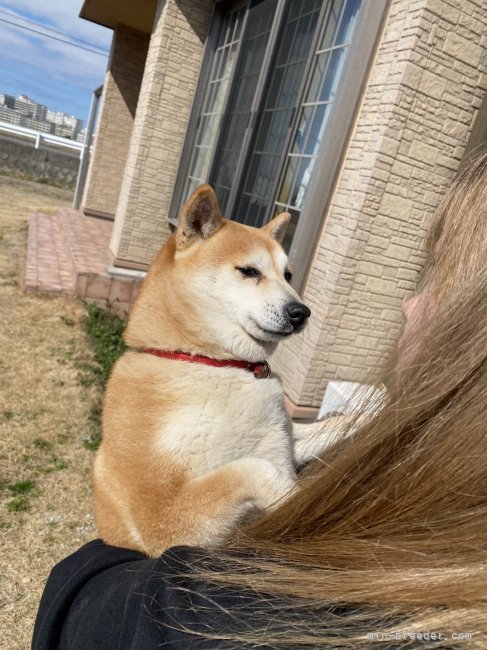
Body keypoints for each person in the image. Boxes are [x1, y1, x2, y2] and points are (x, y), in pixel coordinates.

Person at [32, 152, 487, 649]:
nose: (289, 300)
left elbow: (282, 447)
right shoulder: (147, 378)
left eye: (283, 276)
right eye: (250, 273)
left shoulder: (247, 376)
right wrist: (255, 479)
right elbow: (164, 533)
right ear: (192, 234)